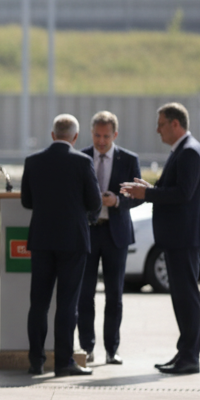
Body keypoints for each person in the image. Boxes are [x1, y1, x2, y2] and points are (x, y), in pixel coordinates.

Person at [120, 102, 200, 376]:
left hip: (184, 237)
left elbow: (182, 194)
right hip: (177, 237)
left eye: (161, 124)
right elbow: (174, 190)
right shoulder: (181, 151)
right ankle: (185, 353)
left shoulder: (190, 152)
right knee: (181, 298)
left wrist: (146, 195)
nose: (157, 130)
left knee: (186, 297)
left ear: (175, 124)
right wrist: (149, 189)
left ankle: (190, 357)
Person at [21, 115, 101, 377]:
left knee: (39, 303)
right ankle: (64, 361)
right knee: (68, 303)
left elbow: (26, 201)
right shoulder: (82, 161)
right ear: (75, 137)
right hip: (73, 241)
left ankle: (36, 361)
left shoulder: (33, 161)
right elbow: (94, 201)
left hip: (42, 240)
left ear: (53, 134)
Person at [78, 111, 143, 365]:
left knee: (114, 295)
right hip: (89, 231)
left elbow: (138, 196)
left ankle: (111, 349)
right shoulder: (81, 157)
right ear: (91, 133)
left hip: (116, 232)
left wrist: (117, 200)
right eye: (97, 135)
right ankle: (86, 346)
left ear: (115, 135)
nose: (101, 141)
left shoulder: (128, 159)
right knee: (85, 294)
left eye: (106, 136)